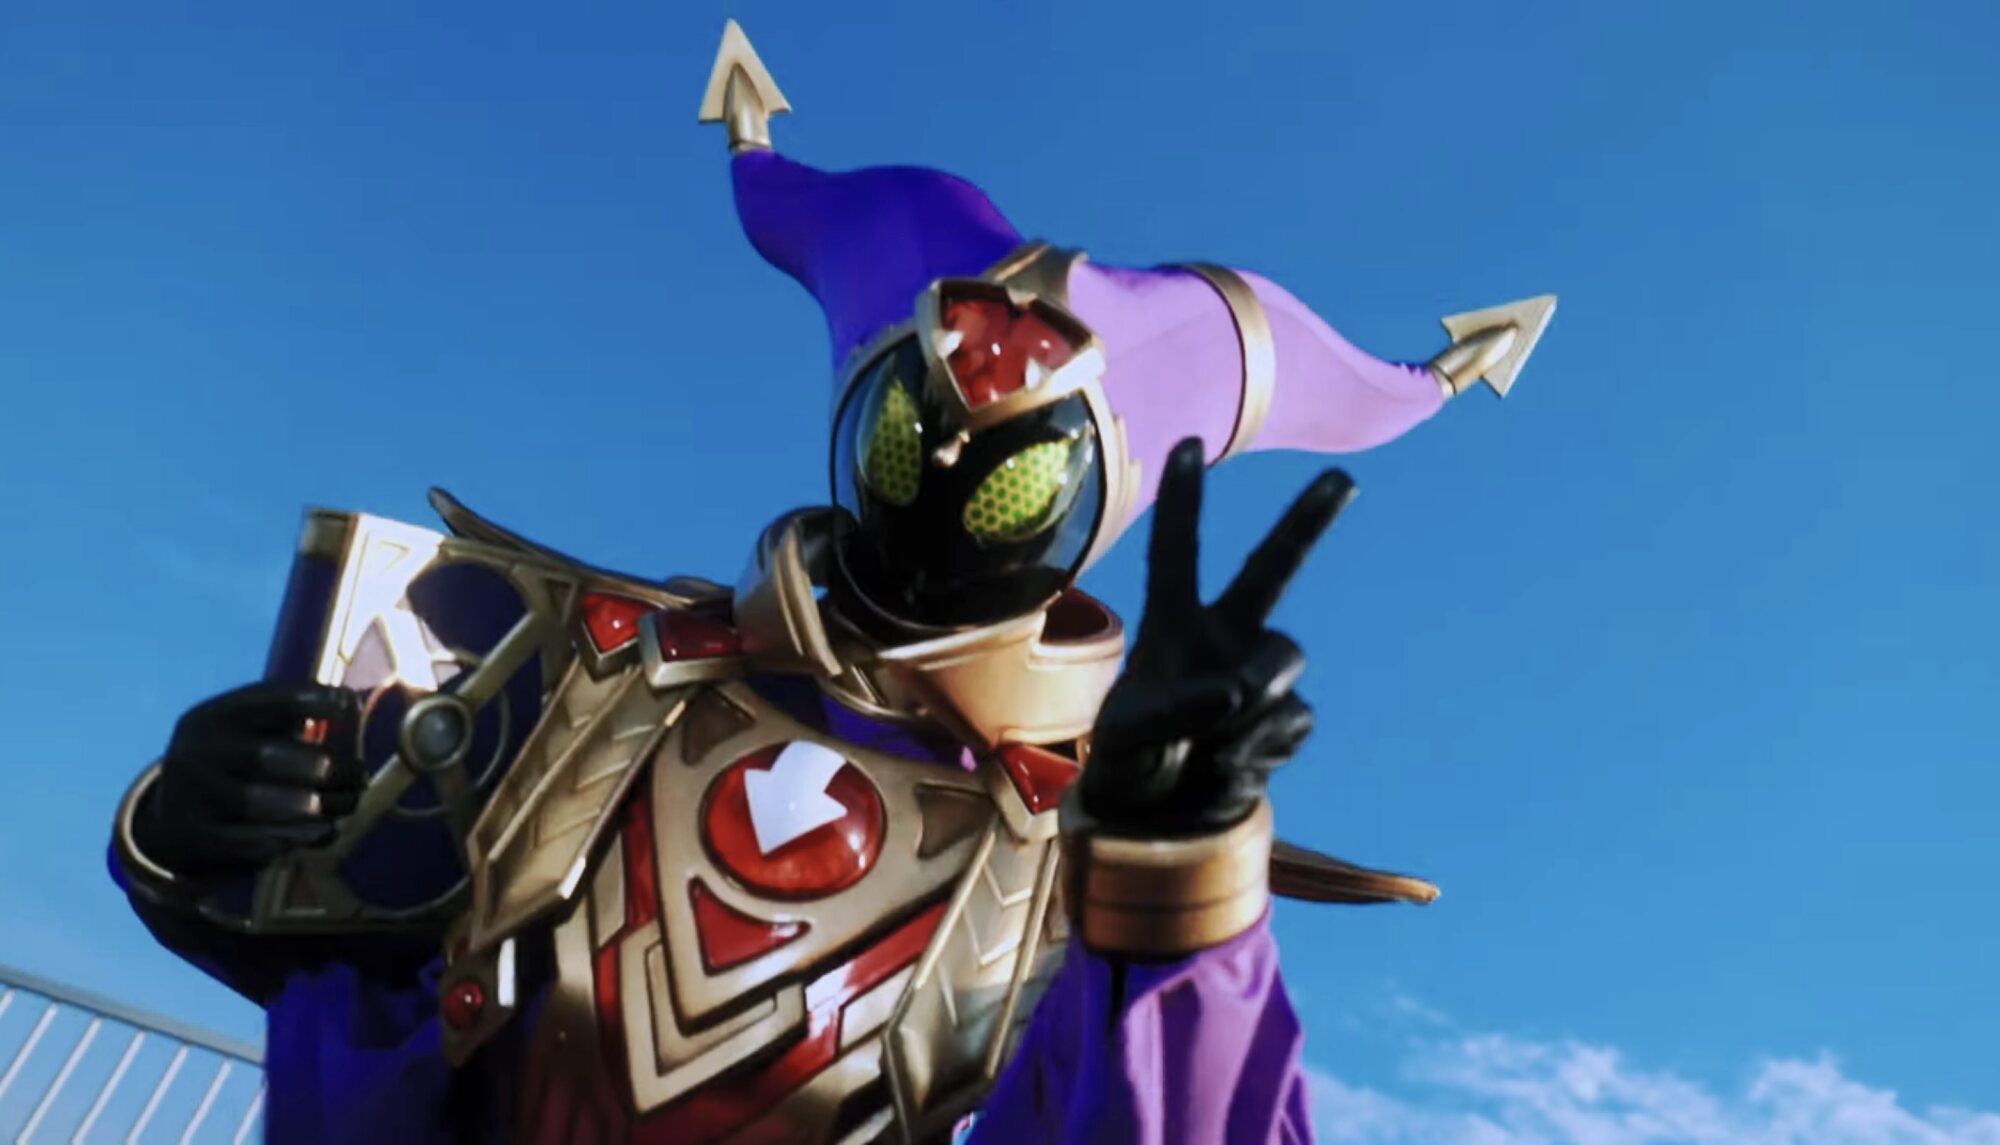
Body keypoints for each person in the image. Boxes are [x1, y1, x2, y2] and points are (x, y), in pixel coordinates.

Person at [110, 21, 1554, 1143]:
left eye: (1008, 479)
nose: (943, 487)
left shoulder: (1071, 841)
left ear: (1078, 504)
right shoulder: (603, 661)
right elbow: (354, 966)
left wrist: (1181, 895)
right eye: (917, 433)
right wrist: (207, 829)